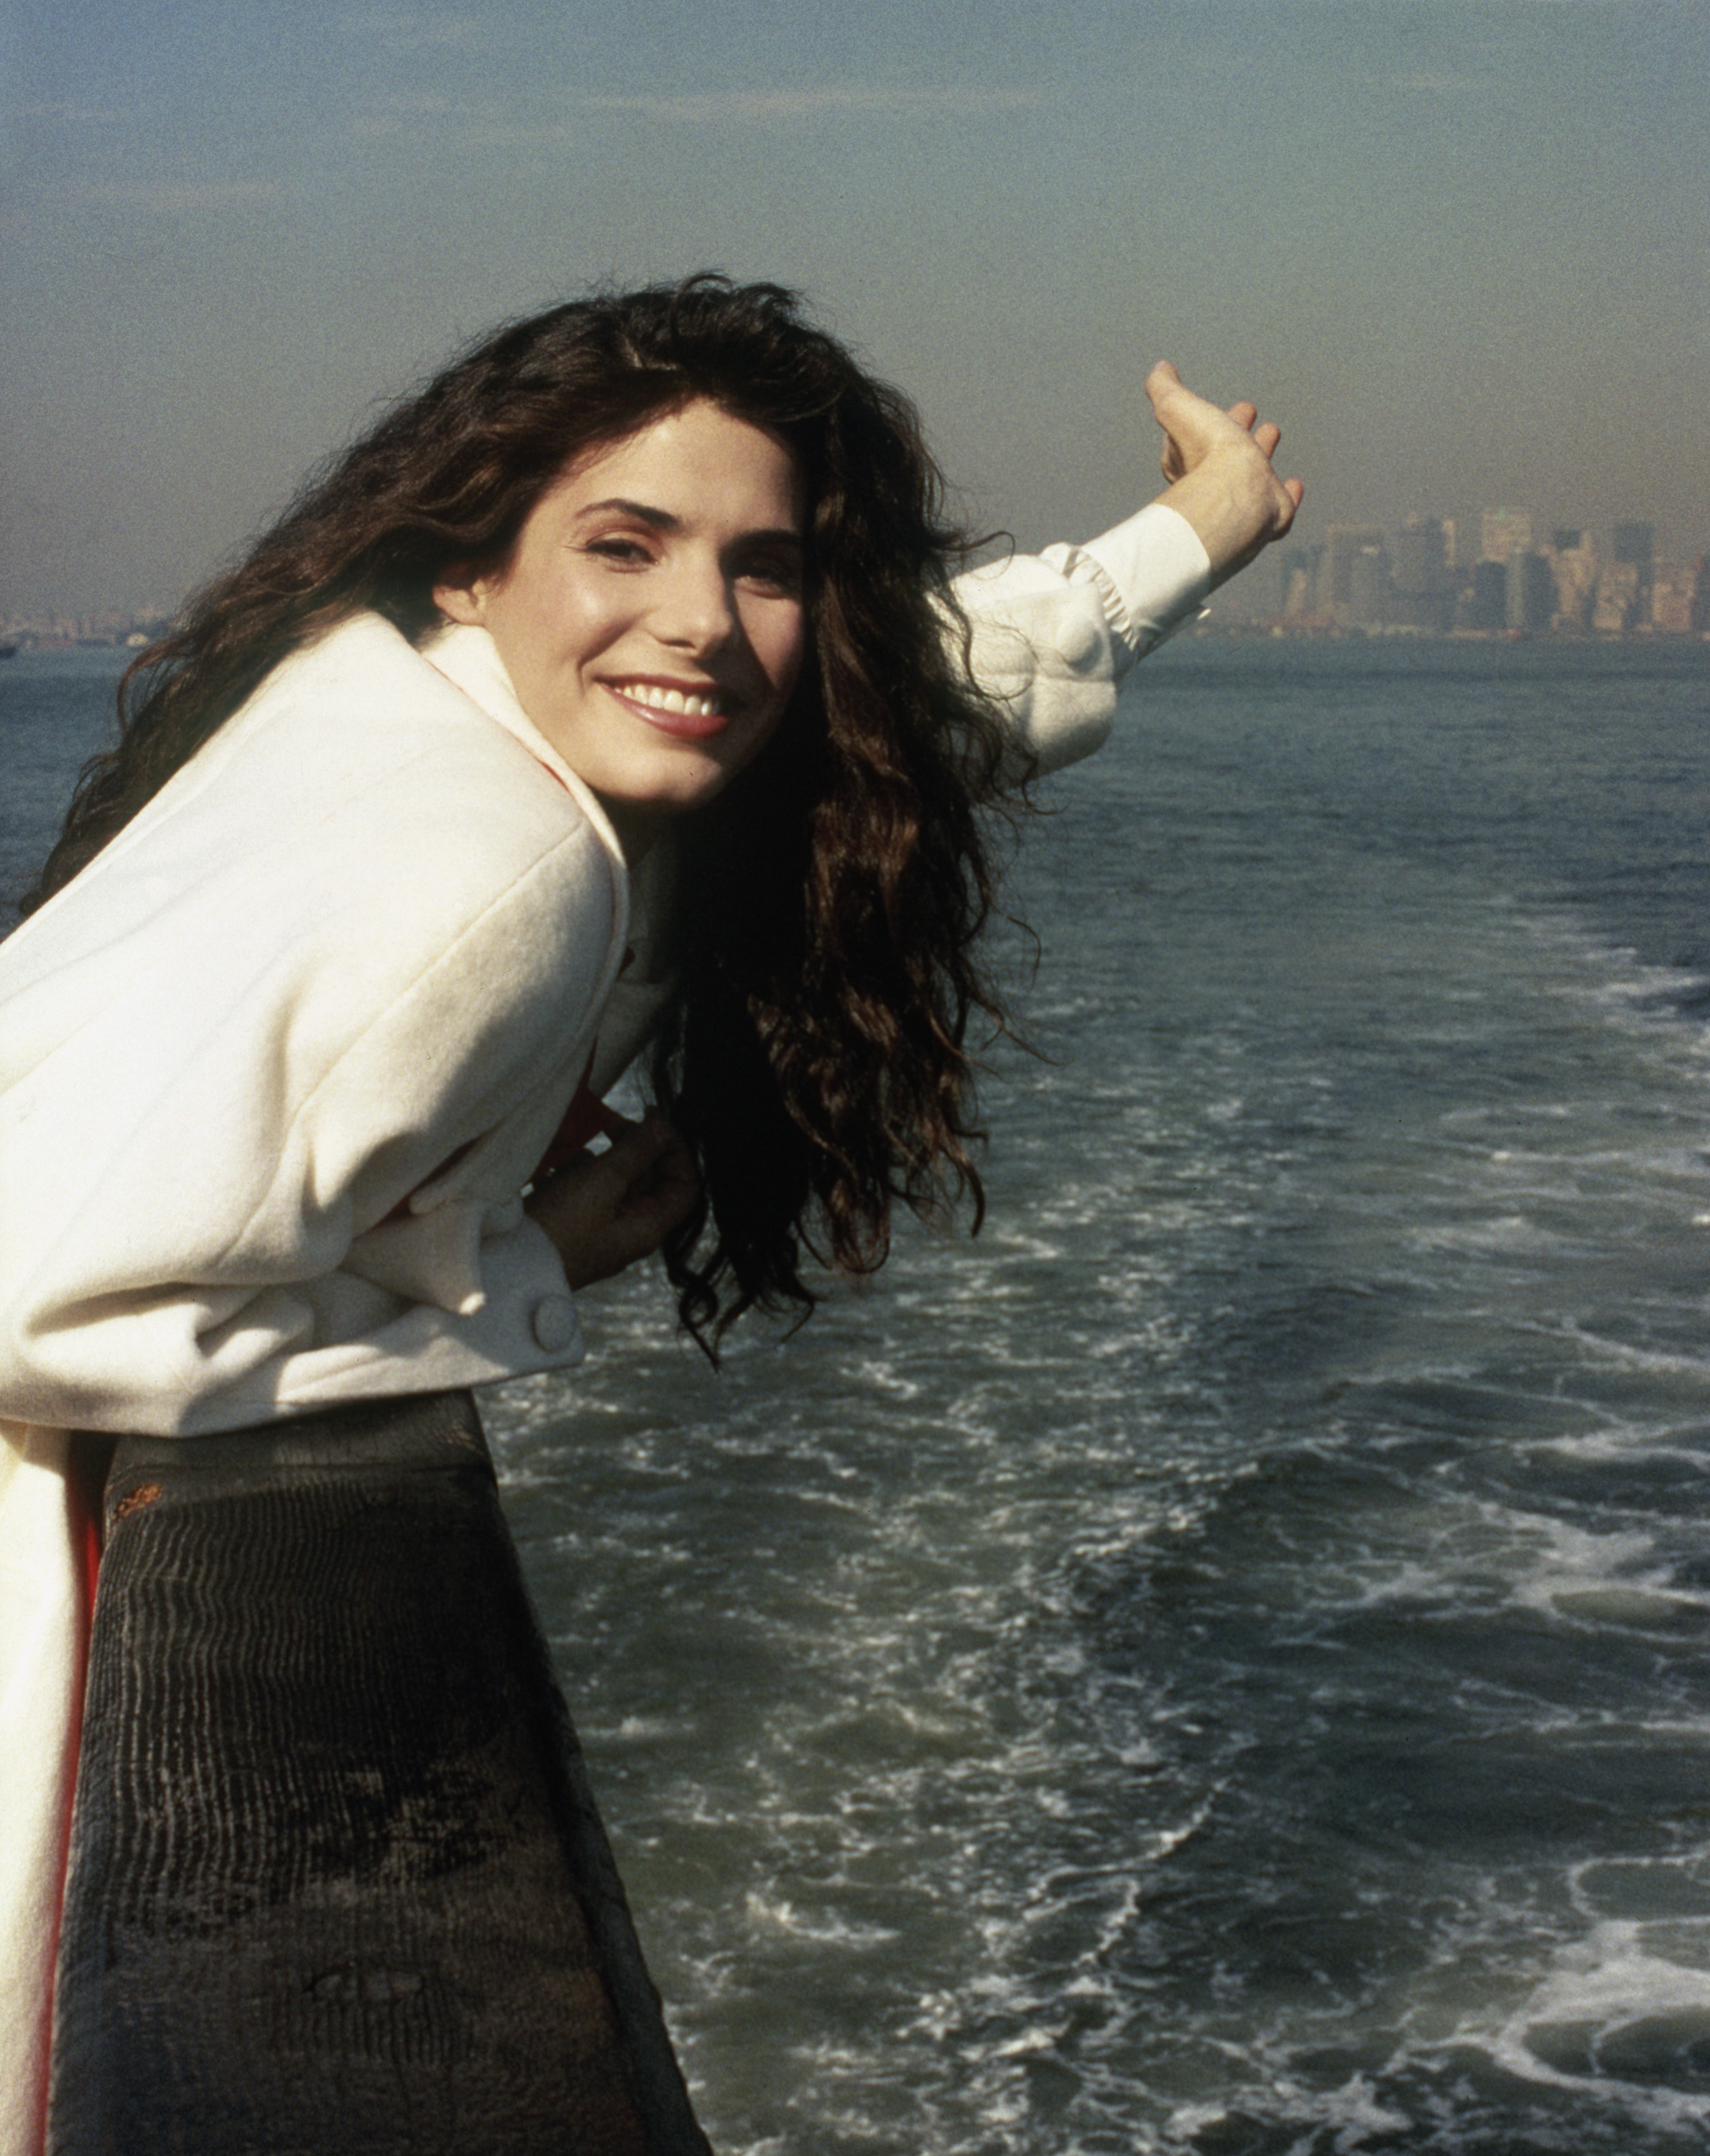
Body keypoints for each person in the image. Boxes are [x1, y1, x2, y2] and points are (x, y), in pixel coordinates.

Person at [0, 276, 1299, 2146]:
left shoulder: (410, 704)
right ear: (472, 565)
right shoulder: (501, 872)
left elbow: (902, 693)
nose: (699, 618)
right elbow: (35, 1287)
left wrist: (1199, 523)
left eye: (760, 565)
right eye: (625, 543)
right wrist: (518, 1269)